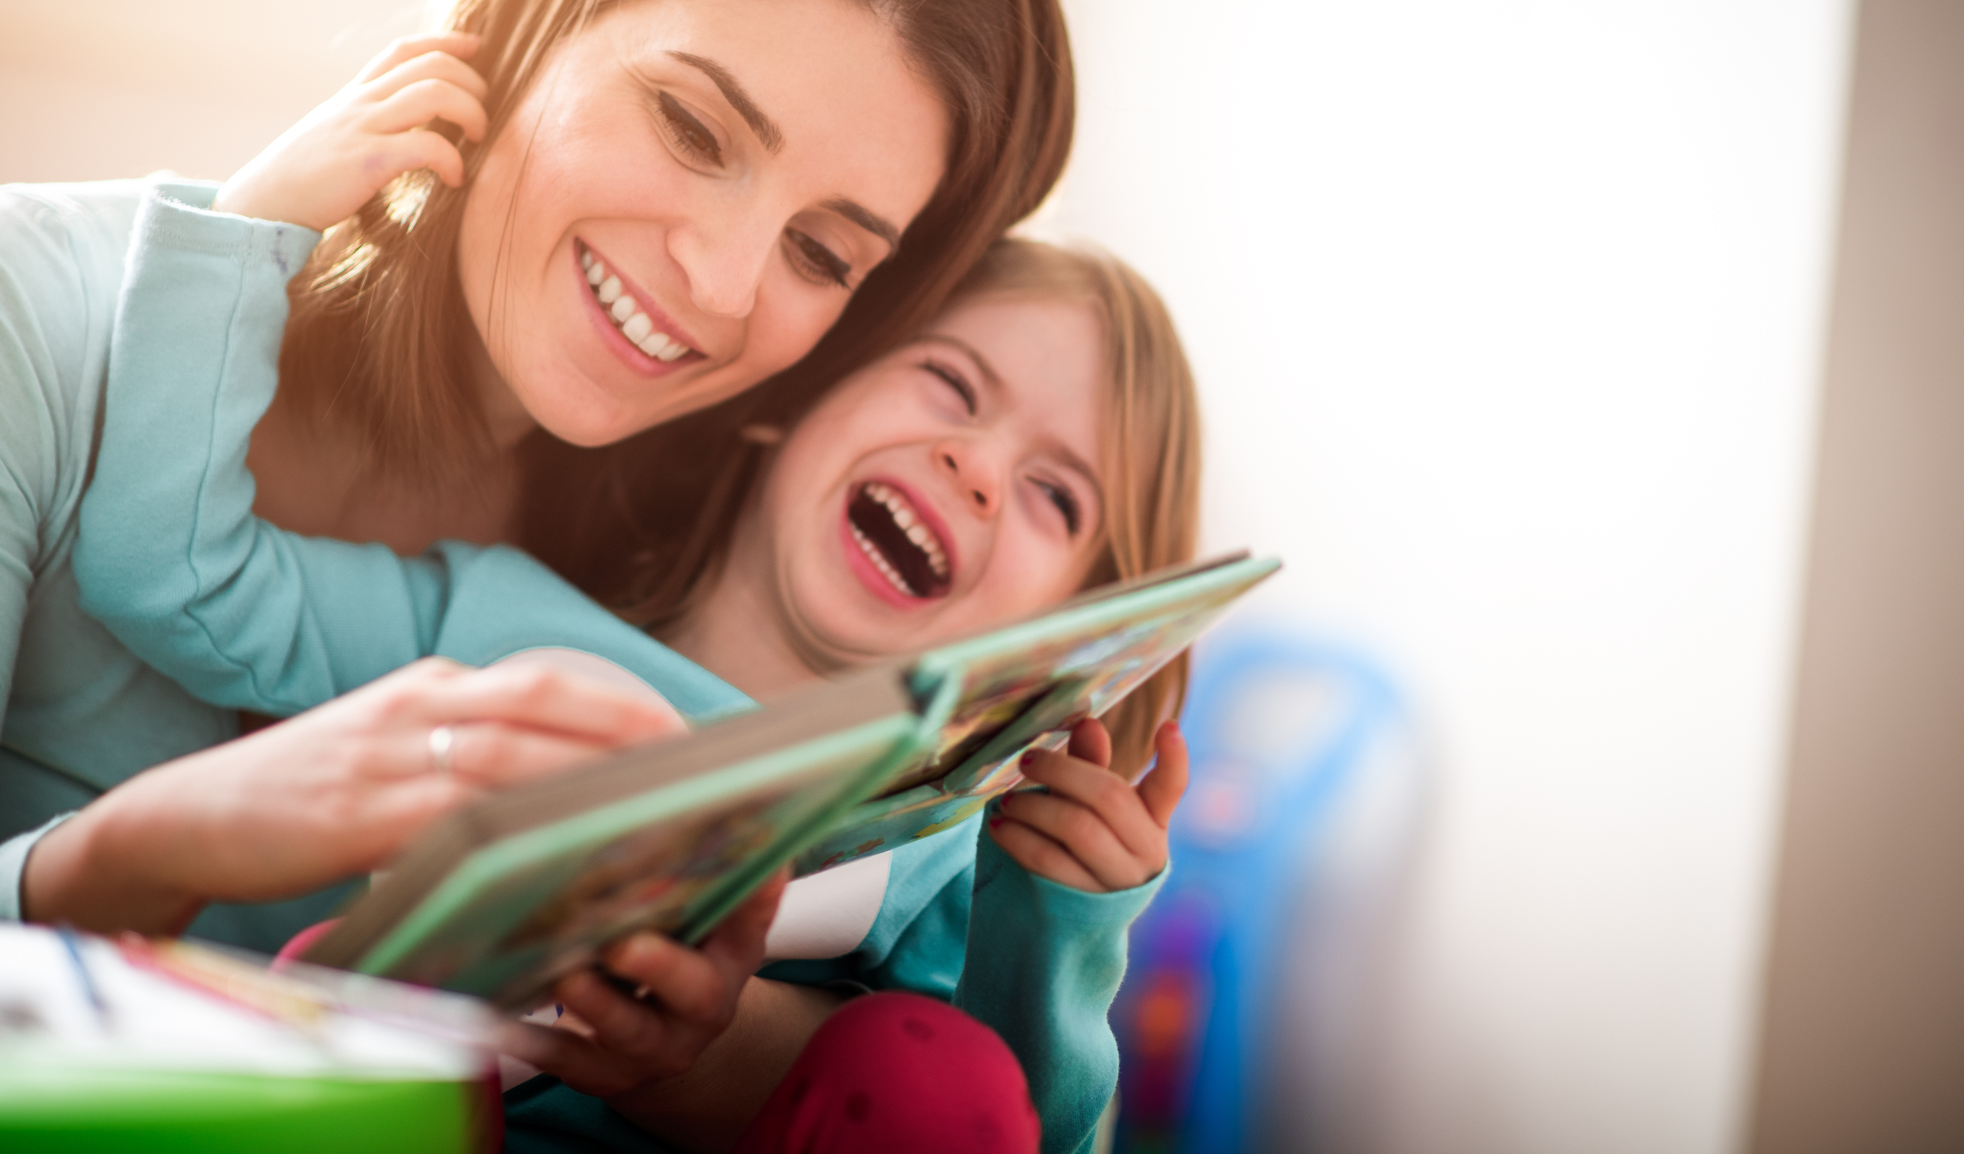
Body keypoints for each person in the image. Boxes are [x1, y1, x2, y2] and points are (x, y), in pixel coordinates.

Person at [0, 0, 1072, 958]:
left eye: (819, 251)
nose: (722, 283)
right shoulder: (8, 304)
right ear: (529, 20)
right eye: (693, 129)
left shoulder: (680, 553)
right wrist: (148, 848)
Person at [74, 194, 1203, 1154]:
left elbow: (1016, 1127)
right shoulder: (487, 613)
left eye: (1057, 496)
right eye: (950, 385)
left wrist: (1061, 922)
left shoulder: (949, 849)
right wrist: (236, 232)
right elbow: (168, 569)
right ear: (791, 398)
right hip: (367, 1086)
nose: (979, 468)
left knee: (930, 1075)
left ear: (1071, 620)